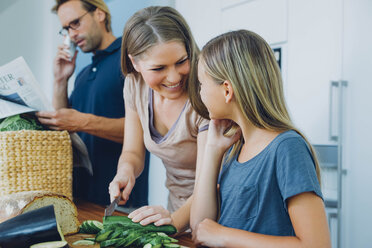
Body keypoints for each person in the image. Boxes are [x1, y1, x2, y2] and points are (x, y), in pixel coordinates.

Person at [190, 30, 331, 248]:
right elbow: (200, 229)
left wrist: (224, 235)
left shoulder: (287, 148)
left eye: (201, 84)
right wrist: (212, 149)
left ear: (227, 90)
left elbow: (317, 245)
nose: (200, 93)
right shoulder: (233, 148)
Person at [36, 0, 149, 206]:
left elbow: (145, 130)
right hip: (80, 196)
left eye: (75, 23)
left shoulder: (129, 61)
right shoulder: (83, 74)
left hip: (121, 201)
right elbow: (65, 124)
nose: (71, 34)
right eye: (66, 29)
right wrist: (60, 80)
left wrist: (83, 122)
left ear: (99, 14)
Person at [108, 6, 209, 233]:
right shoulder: (134, 85)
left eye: (182, 61)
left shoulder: (206, 92)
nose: (174, 77)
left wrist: (172, 224)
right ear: (135, 63)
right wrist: (125, 172)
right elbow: (133, 152)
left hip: (216, 211)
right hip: (176, 209)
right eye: (159, 68)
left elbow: (213, 181)